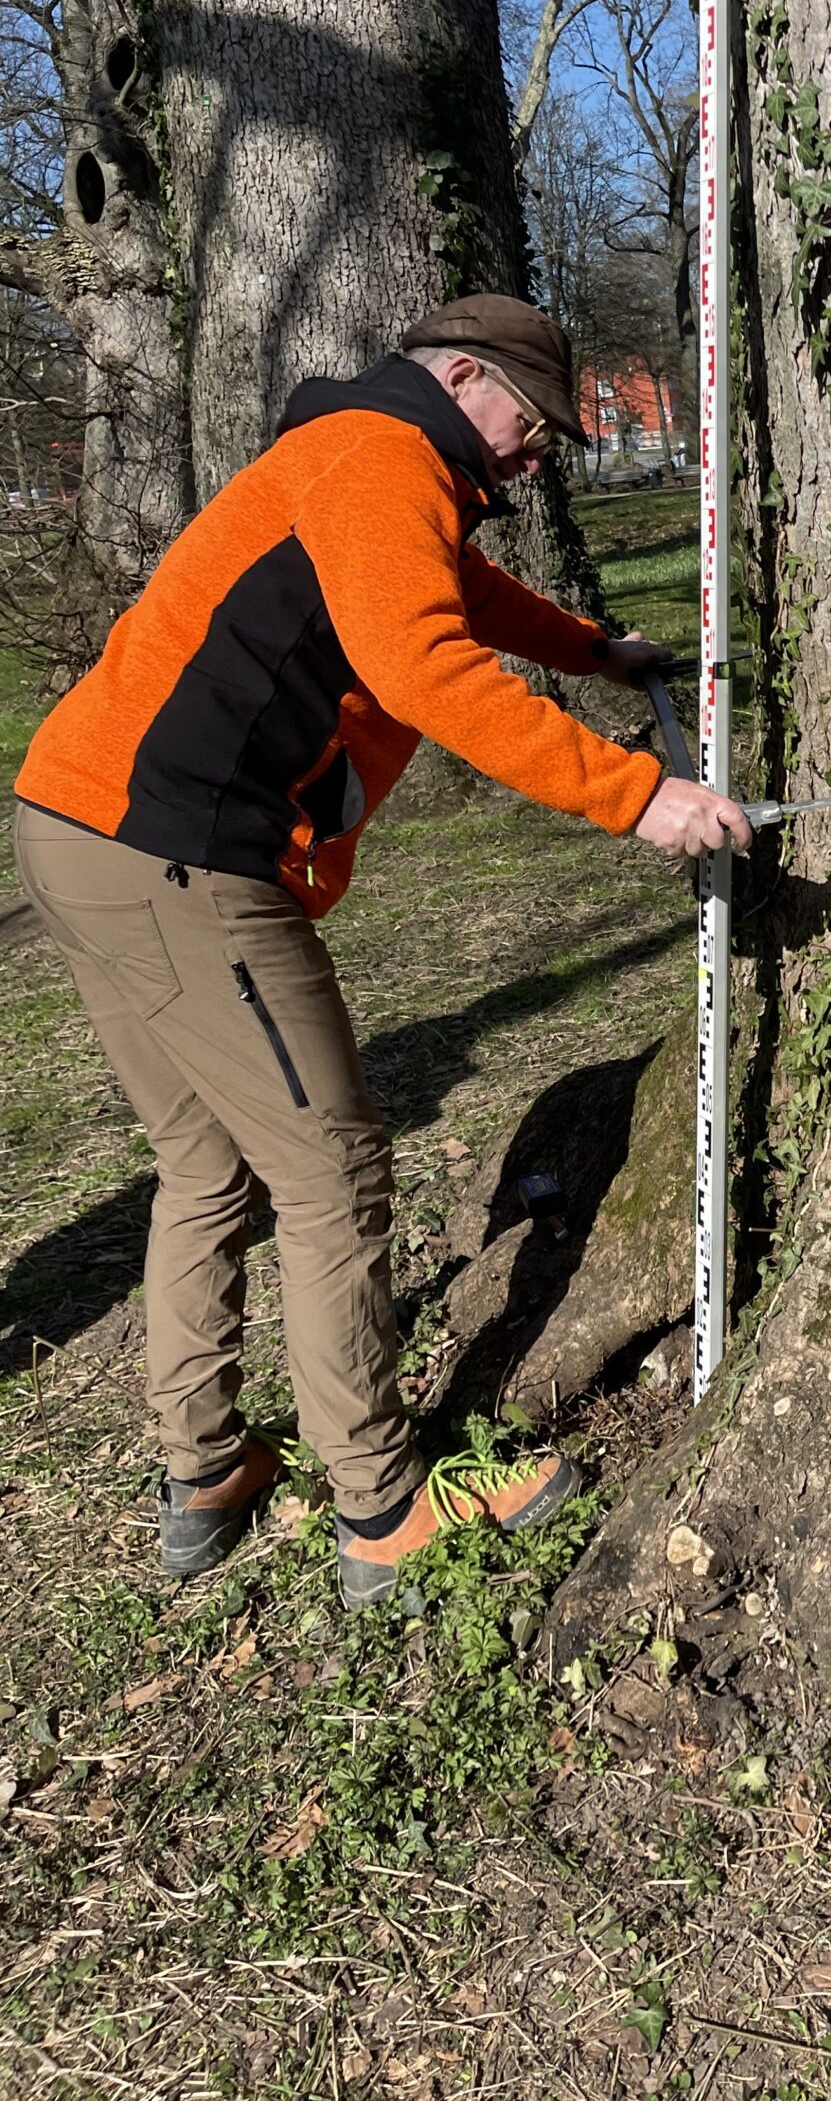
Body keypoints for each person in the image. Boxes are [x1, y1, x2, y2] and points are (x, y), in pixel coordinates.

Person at [11, 294, 750, 1606]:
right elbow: (424, 665)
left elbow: (456, 595)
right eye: (530, 427)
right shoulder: (381, 456)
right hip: (175, 853)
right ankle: (382, 1504)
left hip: (79, 826)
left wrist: (592, 646)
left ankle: (206, 1471)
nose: (536, 457)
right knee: (332, 1170)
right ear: (461, 376)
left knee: (205, 1161)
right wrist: (638, 795)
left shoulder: (361, 462)